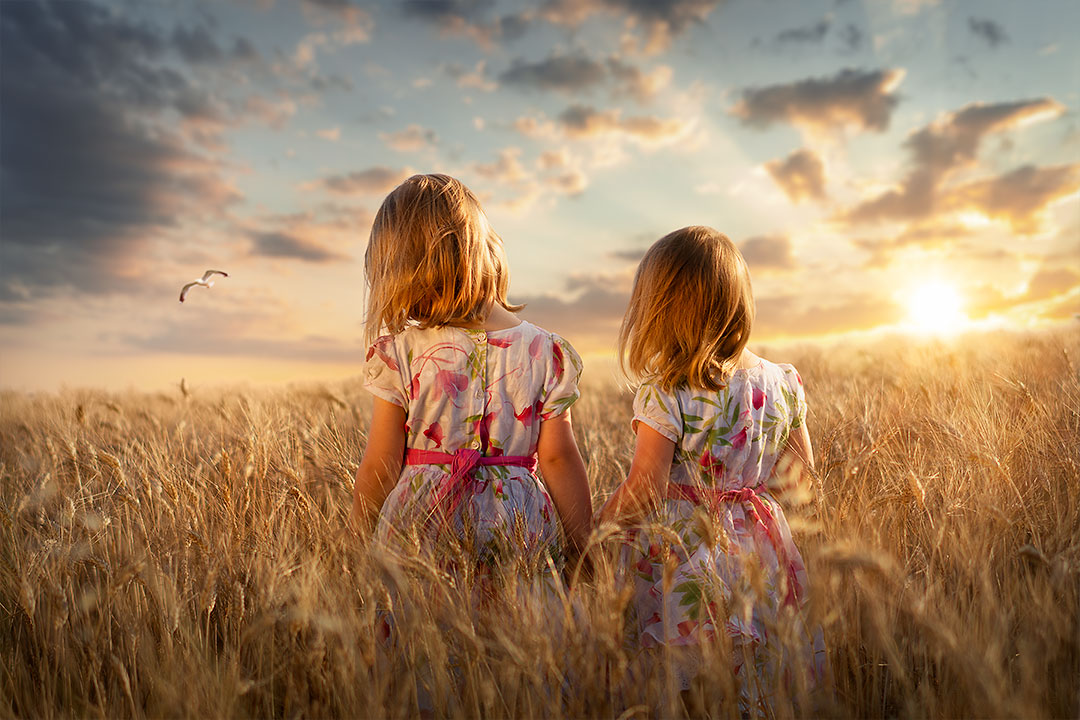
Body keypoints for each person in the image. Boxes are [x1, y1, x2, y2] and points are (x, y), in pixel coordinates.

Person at [596, 226, 827, 711]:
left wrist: (597, 534)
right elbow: (803, 481)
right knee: (754, 670)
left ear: (661, 310)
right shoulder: (783, 382)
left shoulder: (668, 389)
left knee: (693, 679)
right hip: (760, 548)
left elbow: (645, 489)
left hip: (687, 551)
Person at [349, 173, 593, 588]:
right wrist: (584, 550)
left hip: (421, 527)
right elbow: (557, 459)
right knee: (520, 635)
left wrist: (351, 548)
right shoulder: (545, 351)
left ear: (402, 271)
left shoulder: (400, 355)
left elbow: (381, 464)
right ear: (485, 250)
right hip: (518, 525)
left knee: (426, 641)